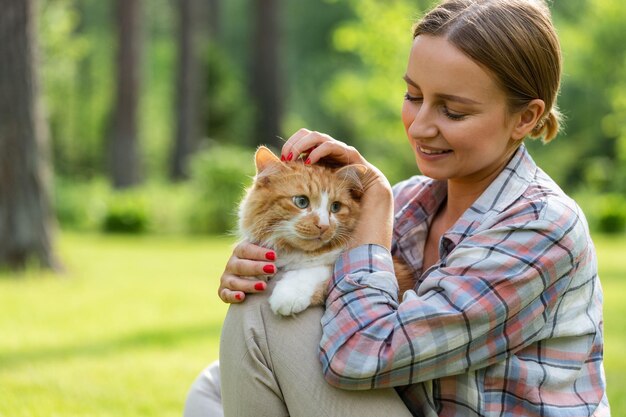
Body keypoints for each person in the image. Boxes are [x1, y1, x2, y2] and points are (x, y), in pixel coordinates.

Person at [184, 0, 610, 415]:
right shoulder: (412, 202)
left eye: (453, 111)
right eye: (413, 95)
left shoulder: (540, 226)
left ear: (525, 118)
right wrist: (262, 264)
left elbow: (360, 355)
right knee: (213, 385)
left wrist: (376, 200)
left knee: (260, 319)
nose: (421, 125)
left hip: (370, 366)